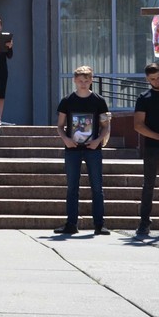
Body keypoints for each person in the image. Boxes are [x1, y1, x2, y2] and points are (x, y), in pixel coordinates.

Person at [54, 65, 112, 235]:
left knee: (97, 187)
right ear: (74, 81)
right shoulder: (67, 100)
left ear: (91, 80)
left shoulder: (99, 101)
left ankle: (99, 224)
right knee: (72, 187)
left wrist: (98, 141)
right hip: (72, 148)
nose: (83, 83)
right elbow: (59, 126)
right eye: (80, 80)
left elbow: (105, 126)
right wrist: (65, 139)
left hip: (93, 148)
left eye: (87, 80)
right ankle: (71, 224)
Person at [133, 63, 159, 237]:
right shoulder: (144, 97)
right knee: (148, 184)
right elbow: (138, 125)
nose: (156, 81)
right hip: (153, 146)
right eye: (152, 79)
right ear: (147, 79)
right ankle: (144, 223)